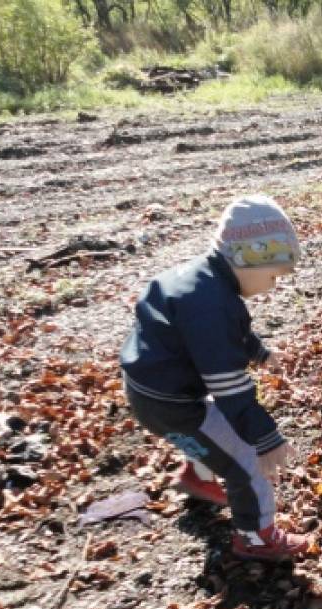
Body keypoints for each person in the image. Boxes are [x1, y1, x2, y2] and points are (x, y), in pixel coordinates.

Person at [120, 195, 309, 562]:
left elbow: (226, 334)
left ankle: (198, 478)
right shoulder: (212, 305)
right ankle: (257, 538)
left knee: (215, 431)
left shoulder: (203, 282)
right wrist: (265, 437)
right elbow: (230, 388)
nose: (273, 286)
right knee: (246, 459)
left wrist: (260, 353)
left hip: (154, 390)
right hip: (172, 405)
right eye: (272, 275)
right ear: (246, 255)